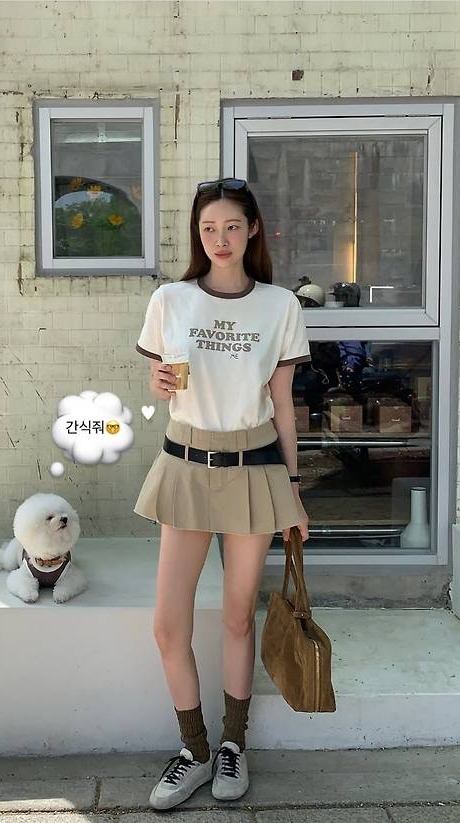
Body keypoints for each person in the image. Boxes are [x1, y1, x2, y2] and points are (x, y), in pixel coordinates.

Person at [133, 178, 312, 810]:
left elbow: (283, 405)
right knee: (167, 625)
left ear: (253, 229)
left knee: (238, 617)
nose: (220, 239)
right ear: (198, 234)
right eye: (209, 228)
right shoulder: (171, 299)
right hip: (185, 464)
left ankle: (234, 744)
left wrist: (294, 491)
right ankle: (195, 750)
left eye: (232, 226)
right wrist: (156, 383)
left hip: (255, 468)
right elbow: (160, 379)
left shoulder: (279, 306)